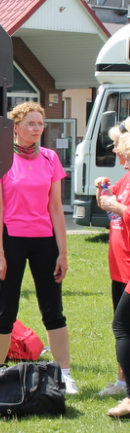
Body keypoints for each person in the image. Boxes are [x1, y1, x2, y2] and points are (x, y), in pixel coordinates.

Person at [0, 101, 76, 395]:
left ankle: (64, 374)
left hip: (44, 242)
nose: (37, 129)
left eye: (40, 124)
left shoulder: (50, 158)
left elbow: (55, 208)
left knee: (54, 310)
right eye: (31, 124)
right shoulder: (1, 159)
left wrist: (63, 251)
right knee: (4, 311)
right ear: (15, 128)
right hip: (12, 239)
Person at [95, 123, 130, 397]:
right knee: (122, 327)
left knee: (122, 326)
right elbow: (110, 207)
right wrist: (102, 191)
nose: (114, 148)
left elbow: (122, 210)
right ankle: (122, 381)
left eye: (117, 144)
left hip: (129, 267)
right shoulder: (125, 179)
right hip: (118, 266)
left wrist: (117, 207)